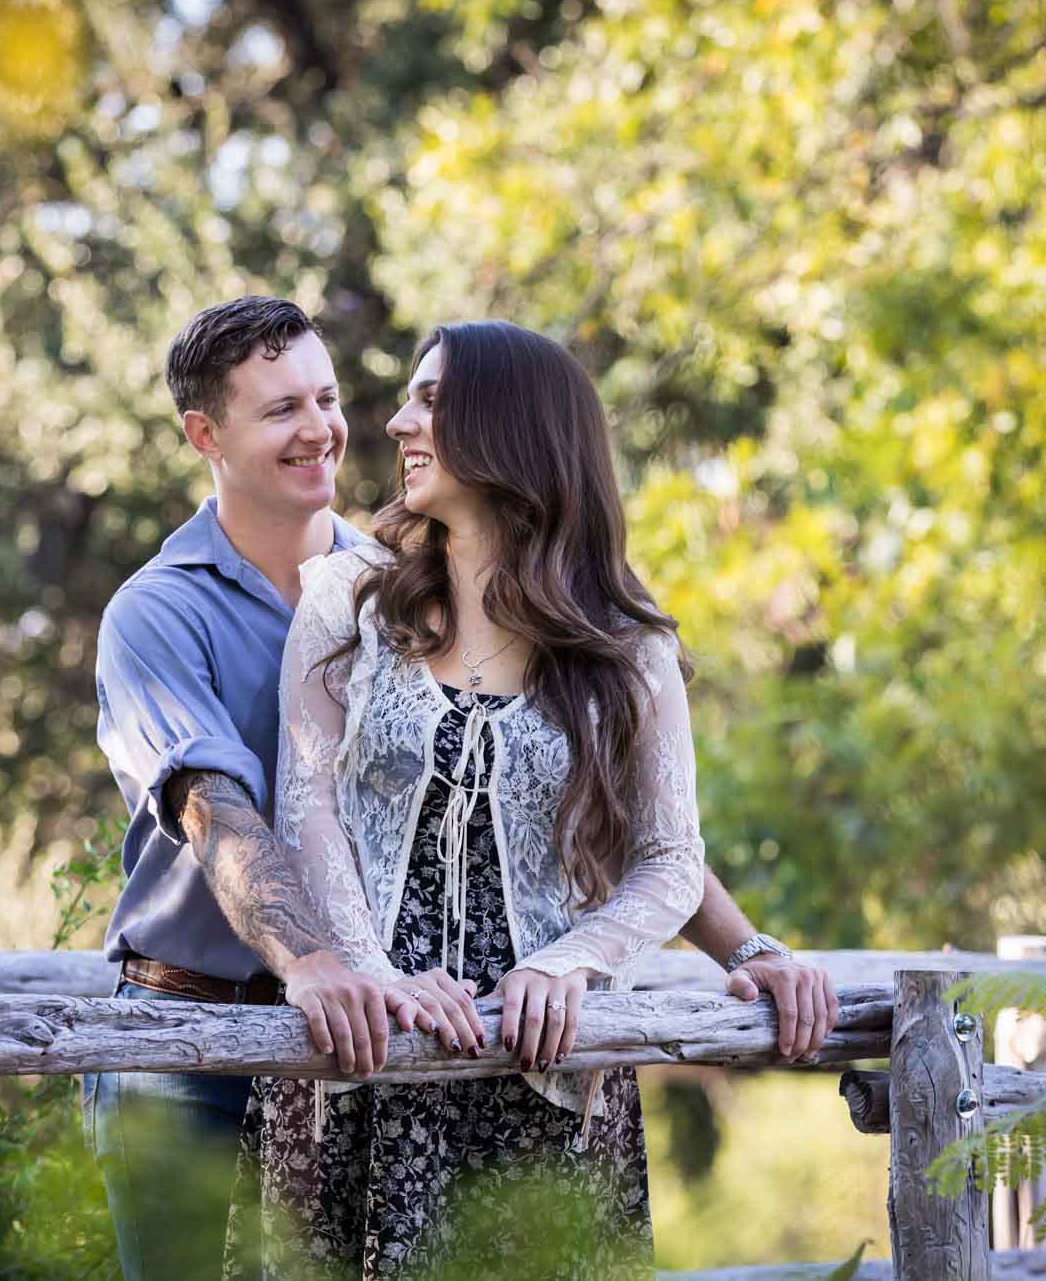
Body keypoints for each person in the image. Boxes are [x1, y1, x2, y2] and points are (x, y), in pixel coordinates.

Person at [91, 298, 835, 1280]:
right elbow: (224, 811)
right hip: (215, 1026)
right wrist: (334, 965)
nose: (333, 426)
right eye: (281, 409)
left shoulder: (393, 583)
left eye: (326, 398)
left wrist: (745, 946)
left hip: (439, 1035)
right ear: (205, 435)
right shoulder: (172, 611)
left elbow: (625, 833)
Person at [227, 320, 734, 1278]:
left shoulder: (628, 648)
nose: (396, 422)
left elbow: (670, 860)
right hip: (362, 1062)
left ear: (510, 427)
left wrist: (569, 962)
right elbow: (308, 804)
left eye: (429, 400)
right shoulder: (350, 601)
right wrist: (375, 975)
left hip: (544, 1071)